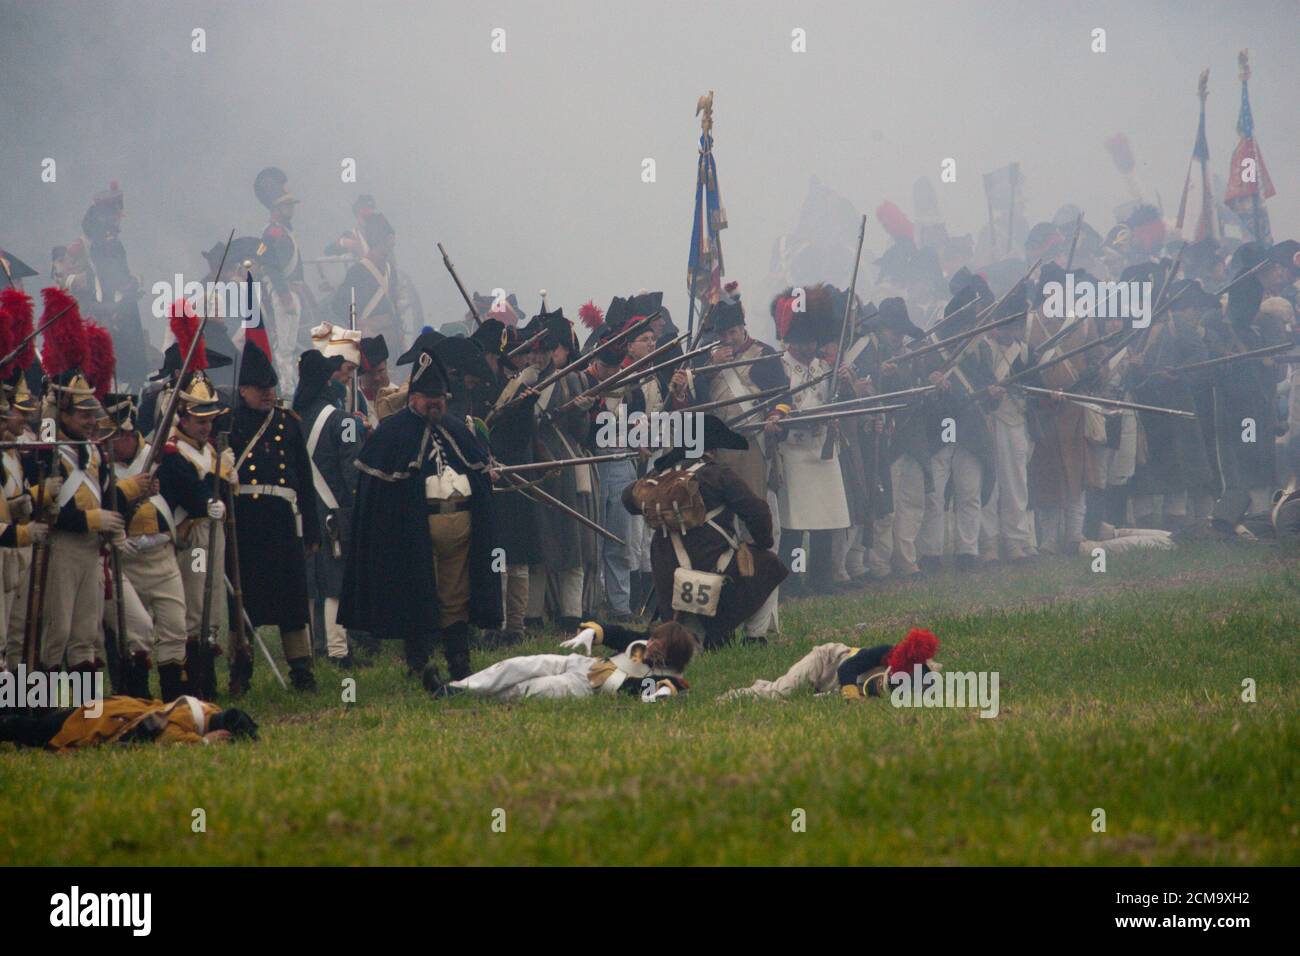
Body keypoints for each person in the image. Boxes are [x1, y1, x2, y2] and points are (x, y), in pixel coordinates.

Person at [339, 344, 502, 679]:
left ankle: (459, 662)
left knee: (456, 597)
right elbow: (380, 494)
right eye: (428, 396)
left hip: (461, 529)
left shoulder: (458, 428)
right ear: (413, 397)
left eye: (440, 396)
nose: (435, 403)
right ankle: (418, 663)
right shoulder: (392, 433)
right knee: (417, 594)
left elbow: (479, 472)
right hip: (413, 532)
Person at [622, 415, 787, 649]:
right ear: (709, 450)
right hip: (715, 573)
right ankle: (754, 638)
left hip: (669, 580)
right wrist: (762, 543)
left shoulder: (659, 478)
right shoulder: (718, 474)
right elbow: (758, 511)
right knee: (770, 563)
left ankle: (701, 635)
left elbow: (628, 499)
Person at [229, 340, 321, 691]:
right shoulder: (230, 424)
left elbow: (305, 480)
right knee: (243, 599)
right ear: (243, 390)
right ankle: (242, 668)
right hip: (245, 523)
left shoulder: (287, 423)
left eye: (271, 387)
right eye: (259, 388)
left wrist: (311, 529)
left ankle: (302, 670)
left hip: (283, 522)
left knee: (292, 599)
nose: (267, 394)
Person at [104, 394, 188, 700]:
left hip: (162, 558)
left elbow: (193, 495)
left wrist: (190, 521)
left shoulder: (163, 457)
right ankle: (136, 702)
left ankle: (174, 700)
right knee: (135, 635)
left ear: (127, 432)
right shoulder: (100, 463)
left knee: (175, 629)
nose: (108, 443)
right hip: (123, 562)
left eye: (113, 436)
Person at [424, 619, 694, 701]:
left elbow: (656, 690)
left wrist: (661, 692)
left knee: (525, 690)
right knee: (515, 666)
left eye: (660, 643)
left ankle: (460, 694)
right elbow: (616, 633)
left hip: (586, 687)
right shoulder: (641, 643)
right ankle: (456, 686)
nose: (652, 642)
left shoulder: (664, 676)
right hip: (579, 664)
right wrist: (592, 631)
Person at [293, 349, 363, 667]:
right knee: (335, 580)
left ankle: (306, 650)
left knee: (307, 581)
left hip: (300, 512)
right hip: (334, 510)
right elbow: (352, 473)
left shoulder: (291, 420)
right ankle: (338, 650)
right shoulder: (343, 421)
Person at [720, 627, 940, 700]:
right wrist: (852, 696)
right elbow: (847, 669)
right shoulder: (885, 653)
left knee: (807, 698)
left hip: (834, 686)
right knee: (781, 692)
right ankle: (741, 694)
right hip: (826, 661)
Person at [0, 696, 257, 749]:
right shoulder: (185, 720)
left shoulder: (207, 709)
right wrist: (204, 742)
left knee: (37, 726)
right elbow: (168, 740)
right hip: (98, 719)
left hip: (107, 709)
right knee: (31, 730)